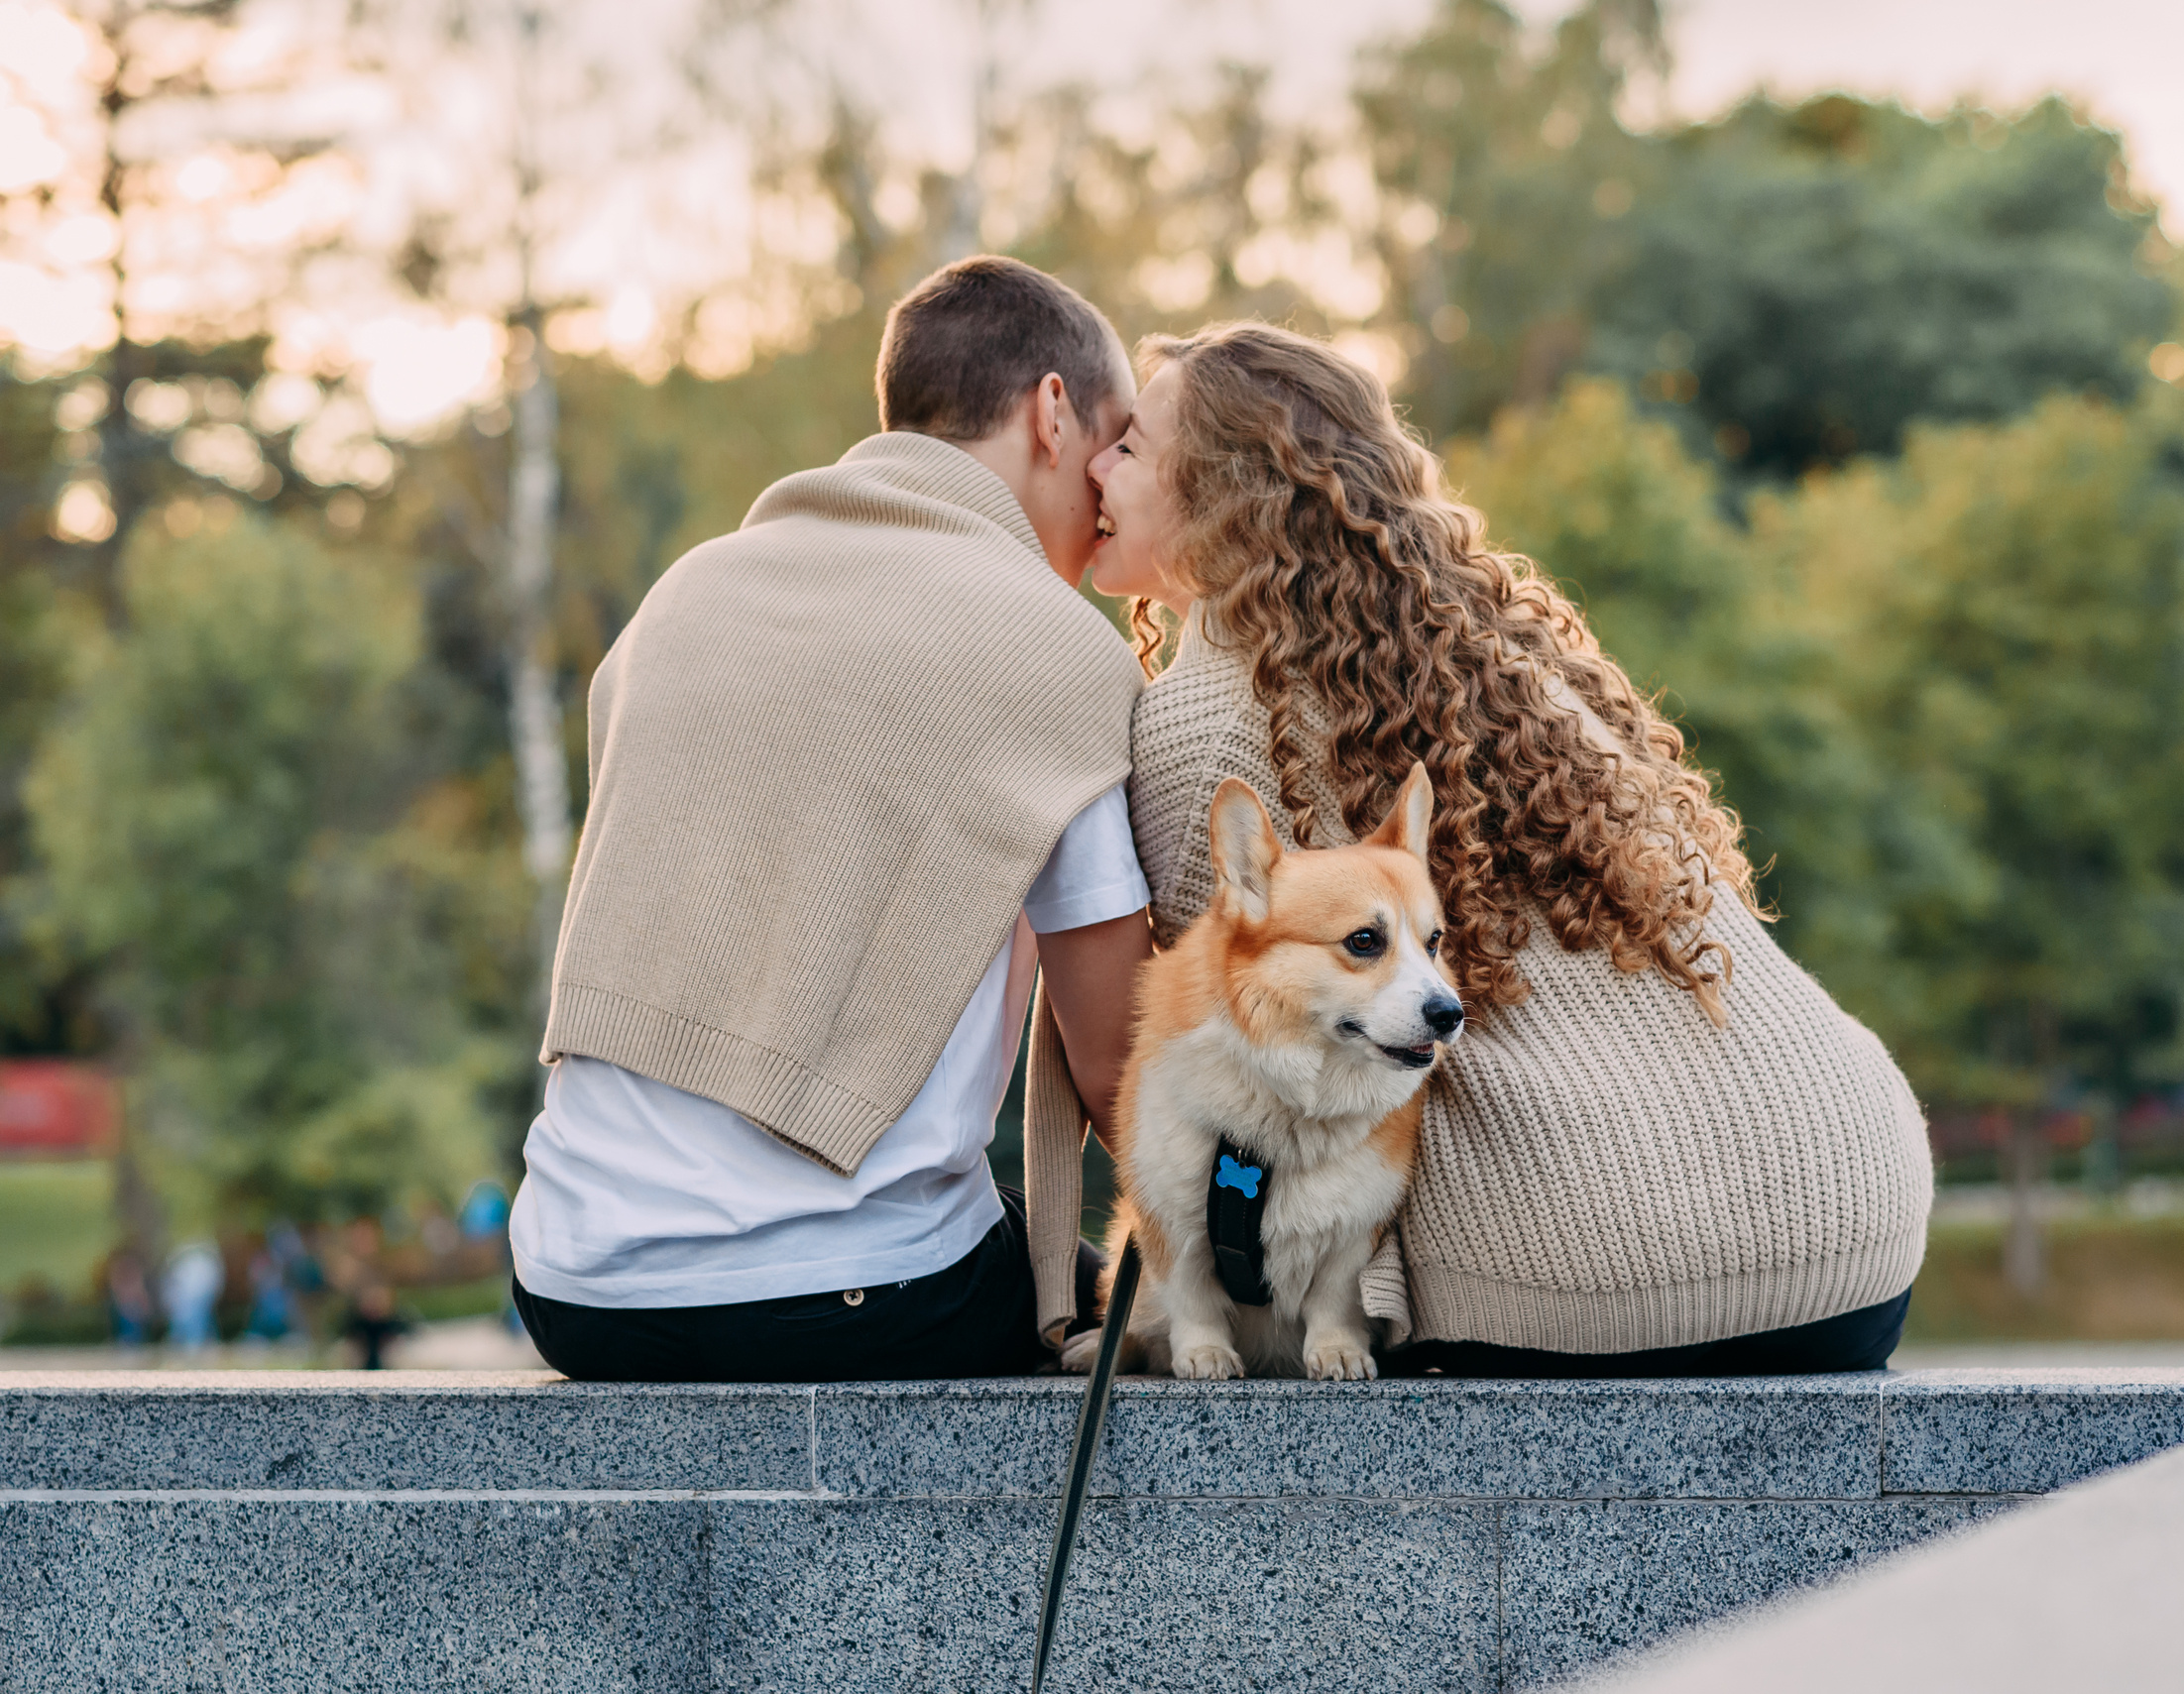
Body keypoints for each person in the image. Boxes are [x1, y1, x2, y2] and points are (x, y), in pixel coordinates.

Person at [1055, 321, 1931, 1377]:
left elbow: (1195, 1082)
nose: (1096, 461)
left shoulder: (1204, 719)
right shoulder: (1499, 649)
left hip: (1607, 1268)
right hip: (1857, 1218)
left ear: (1219, 492)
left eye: (1134, 447)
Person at [508, 256, 1154, 1383]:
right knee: (1106, 1295)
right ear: (1053, 412)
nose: (1111, 489)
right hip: (849, 1296)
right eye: (1117, 439)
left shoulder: (686, 595)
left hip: (571, 1283)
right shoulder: (1053, 652)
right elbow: (1125, 1079)